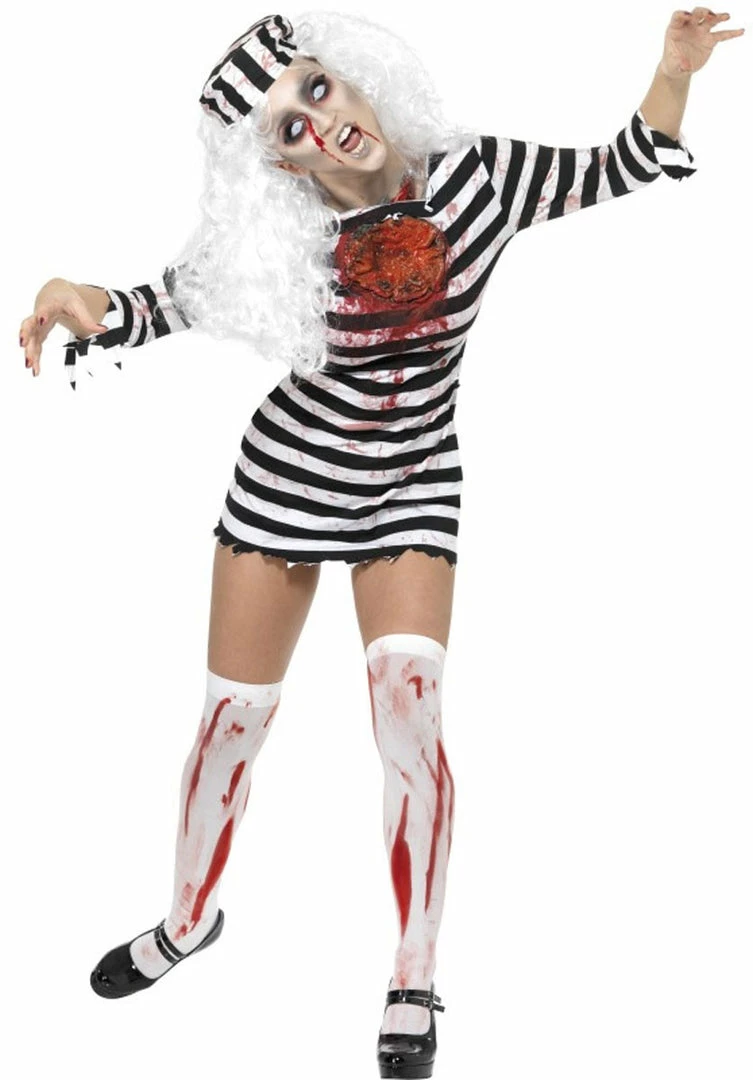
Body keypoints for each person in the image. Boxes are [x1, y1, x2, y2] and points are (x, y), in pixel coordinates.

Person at [17, 8, 744, 1078]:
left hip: (411, 481)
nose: (320, 124)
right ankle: (185, 921)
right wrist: (65, 296)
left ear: (351, 75)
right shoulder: (277, 245)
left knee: (411, 718)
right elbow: (142, 306)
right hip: (286, 481)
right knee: (230, 723)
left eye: (316, 89)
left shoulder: (478, 179)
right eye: (287, 128)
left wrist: (672, 70)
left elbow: (622, 163)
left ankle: (413, 976)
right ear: (278, 162)